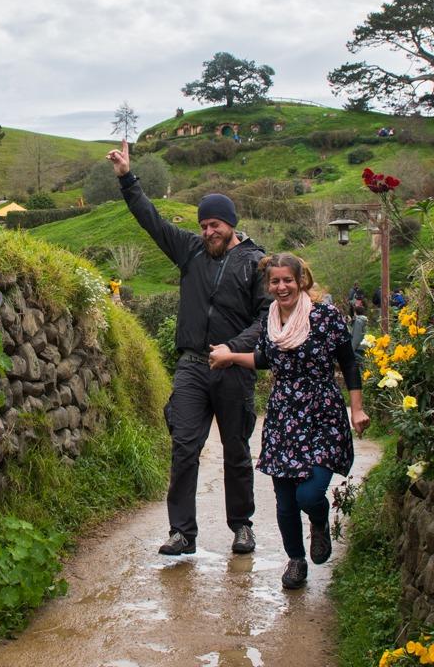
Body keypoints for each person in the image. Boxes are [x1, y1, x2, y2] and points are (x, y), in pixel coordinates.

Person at [107, 136, 269, 557]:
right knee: (183, 448)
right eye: (203, 225)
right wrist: (128, 179)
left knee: (235, 449)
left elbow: (265, 319)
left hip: (233, 368)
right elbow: (152, 220)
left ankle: (242, 527)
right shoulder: (191, 251)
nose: (208, 231)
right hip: (193, 366)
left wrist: (234, 348)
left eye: (215, 224)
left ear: (231, 223)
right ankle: (182, 532)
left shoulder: (255, 263)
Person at [208, 253, 369, 590]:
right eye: (275, 282)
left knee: (308, 495)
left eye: (288, 281)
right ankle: (296, 560)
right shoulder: (271, 320)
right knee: (284, 501)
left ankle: (319, 519)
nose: (282, 287)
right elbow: (265, 359)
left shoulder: (324, 317)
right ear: (269, 285)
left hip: (322, 413)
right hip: (284, 416)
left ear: (301, 281)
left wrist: (357, 409)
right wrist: (230, 358)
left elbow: (349, 363)